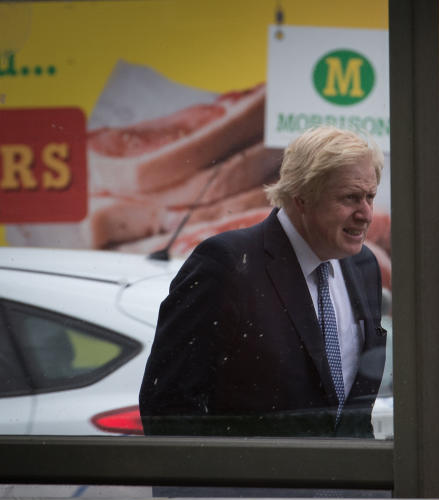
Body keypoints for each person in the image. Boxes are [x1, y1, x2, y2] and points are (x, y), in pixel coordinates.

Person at [139, 126, 387, 438]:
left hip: (348, 484)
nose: (366, 214)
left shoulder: (363, 266)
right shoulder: (225, 263)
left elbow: (352, 405)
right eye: (350, 198)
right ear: (301, 198)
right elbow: (167, 407)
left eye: (370, 197)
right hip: (255, 484)